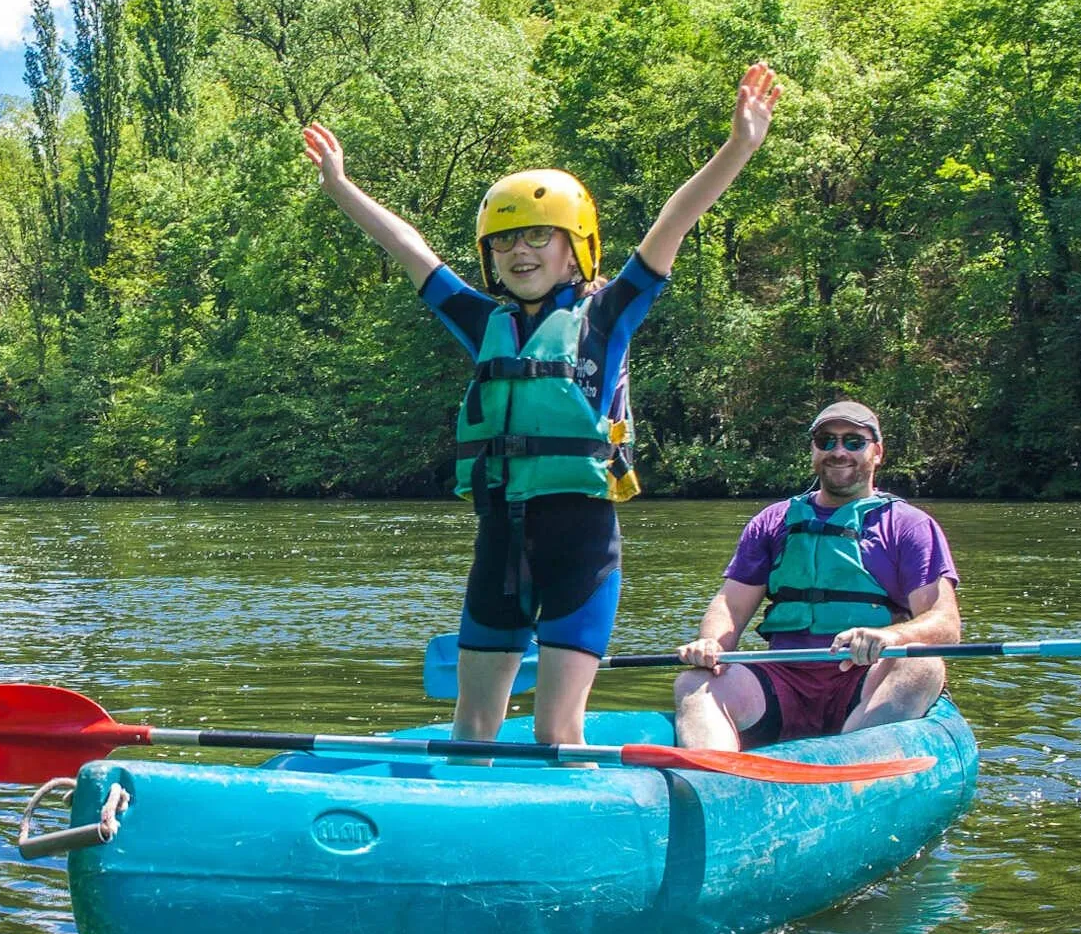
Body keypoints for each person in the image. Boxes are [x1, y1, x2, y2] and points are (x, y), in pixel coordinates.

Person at [303, 63, 782, 747]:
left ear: (575, 247)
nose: (519, 251)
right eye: (504, 239)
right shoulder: (480, 321)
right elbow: (408, 248)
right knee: (473, 726)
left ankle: (581, 829)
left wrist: (737, 147)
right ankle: (470, 832)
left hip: (580, 547)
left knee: (557, 729)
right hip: (498, 543)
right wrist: (341, 187)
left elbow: (677, 218)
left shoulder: (608, 316)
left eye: (537, 236)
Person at [674, 401, 960, 750]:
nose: (838, 451)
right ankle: (718, 786)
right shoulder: (772, 522)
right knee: (693, 683)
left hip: (863, 679)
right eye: (826, 440)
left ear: (877, 452)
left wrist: (891, 637)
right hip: (783, 678)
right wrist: (712, 645)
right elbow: (731, 605)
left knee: (923, 665)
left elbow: (946, 624)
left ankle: (847, 771)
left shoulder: (909, 526)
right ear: (813, 450)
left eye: (853, 441)